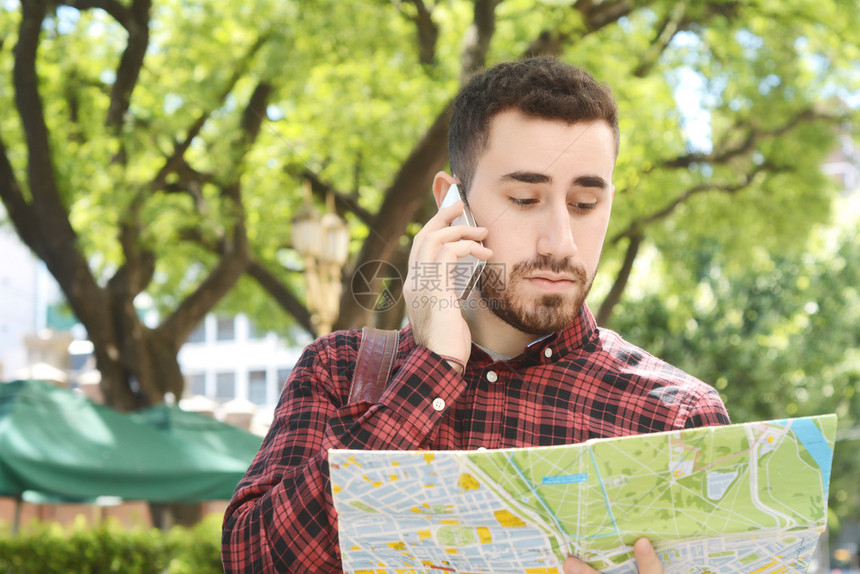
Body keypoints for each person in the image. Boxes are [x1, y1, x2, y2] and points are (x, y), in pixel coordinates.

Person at [222, 57, 730, 574]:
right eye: (525, 199)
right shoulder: (341, 371)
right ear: (453, 203)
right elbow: (252, 562)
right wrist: (434, 370)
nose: (561, 241)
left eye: (584, 204)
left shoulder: (677, 419)